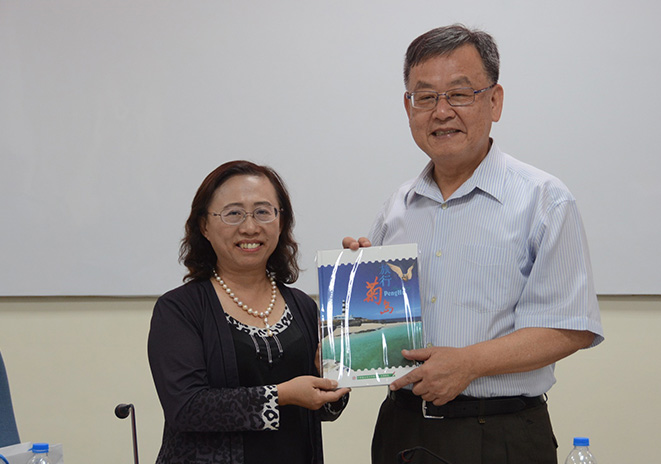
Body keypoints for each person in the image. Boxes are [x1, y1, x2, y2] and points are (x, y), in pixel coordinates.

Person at [344, 24, 604, 464]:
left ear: (495, 101)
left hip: (501, 433)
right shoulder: (397, 207)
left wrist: (469, 363)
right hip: (401, 427)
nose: (441, 111)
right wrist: (354, 296)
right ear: (408, 107)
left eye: (460, 94)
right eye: (425, 97)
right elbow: (382, 332)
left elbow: (570, 326)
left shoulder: (543, 199)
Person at [149, 160, 350, 464]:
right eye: (233, 214)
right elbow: (186, 408)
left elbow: (322, 409)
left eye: (263, 212)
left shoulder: (303, 306)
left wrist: (332, 377)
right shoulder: (179, 309)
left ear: (281, 222)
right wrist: (281, 395)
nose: (250, 227)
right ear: (204, 226)